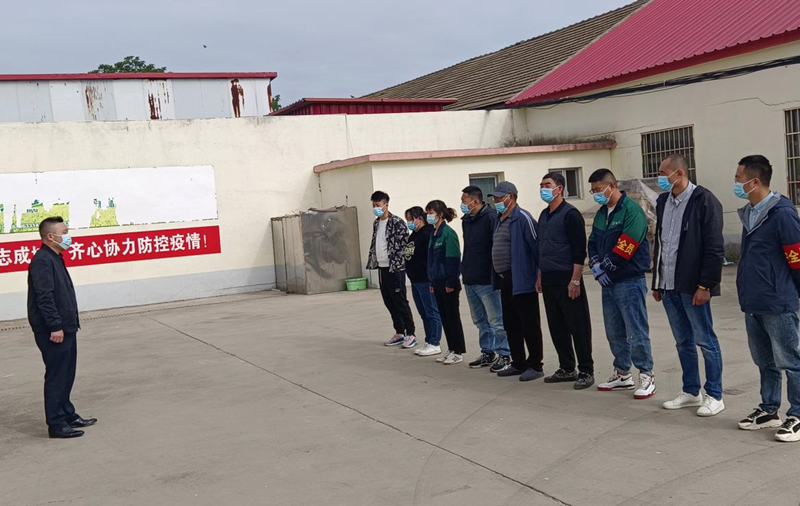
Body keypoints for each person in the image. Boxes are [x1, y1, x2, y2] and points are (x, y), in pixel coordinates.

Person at [651, 154, 725, 416]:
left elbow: (714, 247)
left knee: (705, 340)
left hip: (693, 285)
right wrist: (657, 281)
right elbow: (661, 244)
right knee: (683, 341)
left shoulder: (704, 200)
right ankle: (692, 391)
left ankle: (714, 395)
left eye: (663, 173)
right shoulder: (663, 201)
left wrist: (705, 285)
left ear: (679, 173)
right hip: (669, 284)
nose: (660, 178)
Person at [734, 155, 800, 442]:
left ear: (755, 181)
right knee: (765, 360)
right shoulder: (750, 213)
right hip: (754, 300)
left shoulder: (782, 213)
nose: (736, 183)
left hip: (777, 300)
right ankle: (769, 409)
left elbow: (797, 257)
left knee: (790, 360)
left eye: (739, 178)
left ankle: (797, 414)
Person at [587, 169, 656, 399]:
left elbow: (629, 243)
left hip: (629, 280)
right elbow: (593, 241)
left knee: (635, 329)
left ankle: (646, 374)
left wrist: (605, 266)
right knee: (614, 330)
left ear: (612, 186)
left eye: (598, 190)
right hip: (608, 282)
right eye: (593, 191)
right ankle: (622, 373)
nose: (596, 194)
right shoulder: (601, 213)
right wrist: (595, 264)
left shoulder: (631, 210)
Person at [28, 217, 96, 439]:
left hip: (66, 327)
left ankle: (67, 414)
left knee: (67, 373)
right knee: (57, 375)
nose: (68, 236)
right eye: (64, 232)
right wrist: (55, 326)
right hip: (53, 330)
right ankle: (56, 424)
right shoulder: (42, 261)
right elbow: (44, 298)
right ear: (51, 236)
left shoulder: (55, 257)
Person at [536, 173, 594, 389]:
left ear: (559, 188)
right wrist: (539, 276)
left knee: (578, 326)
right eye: (541, 185)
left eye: (547, 185)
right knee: (557, 326)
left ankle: (586, 370)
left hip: (567, 279)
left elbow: (579, 251)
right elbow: (541, 248)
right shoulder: (544, 215)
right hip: (549, 279)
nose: (543, 188)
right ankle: (567, 367)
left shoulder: (571, 215)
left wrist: (575, 280)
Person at [490, 181, 545, 382]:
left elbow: (537, 248)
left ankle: (535, 364)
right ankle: (518, 362)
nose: (496, 201)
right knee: (511, 323)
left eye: (499, 198)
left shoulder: (523, 218)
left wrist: (538, 275)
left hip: (522, 278)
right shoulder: (499, 219)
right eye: (495, 198)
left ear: (511, 197)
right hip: (505, 279)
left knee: (529, 323)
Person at [460, 186, 512, 373]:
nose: (462, 205)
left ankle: (505, 353)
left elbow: (495, 248)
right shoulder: (467, 220)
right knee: (480, 320)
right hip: (470, 278)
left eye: (464, 201)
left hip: (487, 279)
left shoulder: (490, 218)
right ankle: (488, 351)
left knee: (496, 320)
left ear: (475, 201)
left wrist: (495, 274)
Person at [366, 191, 416, 348]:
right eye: (374, 205)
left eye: (378, 205)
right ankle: (399, 332)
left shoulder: (397, 222)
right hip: (382, 267)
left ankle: (411, 333)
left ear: (386, 205)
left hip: (395, 267)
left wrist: (398, 259)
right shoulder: (376, 223)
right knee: (389, 301)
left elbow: (405, 244)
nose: (376, 208)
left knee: (400, 300)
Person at [426, 200, 466, 364]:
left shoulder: (448, 233)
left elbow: (453, 260)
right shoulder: (433, 233)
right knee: (444, 317)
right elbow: (431, 260)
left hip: (448, 283)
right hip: (437, 282)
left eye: (431, 213)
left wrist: (450, 282)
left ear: (440, 214)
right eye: (427, 212)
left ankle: (458, 351)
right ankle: (451, 348)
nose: (428, 216)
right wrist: (431, 281)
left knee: (453, 317)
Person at [404, 206, 443, 356]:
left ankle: (435, 342)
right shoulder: (414, 235)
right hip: (415, 280)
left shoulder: (427, 234)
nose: (409, 222)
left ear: (419, 218)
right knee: (423, 312)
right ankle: (429, 340)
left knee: (432, 312)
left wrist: (433, 277)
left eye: (410, 219)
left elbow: (433, 257)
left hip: (426, 280)